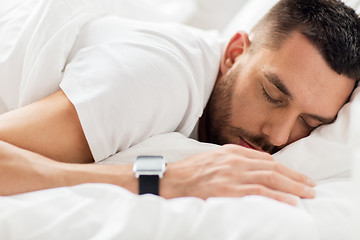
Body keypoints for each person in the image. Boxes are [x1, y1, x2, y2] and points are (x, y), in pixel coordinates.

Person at [0, 0, 359, 206]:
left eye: (309, 124)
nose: (279, 136)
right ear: (234, 54)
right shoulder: (152, 80)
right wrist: (161, 180)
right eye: (272, 95)